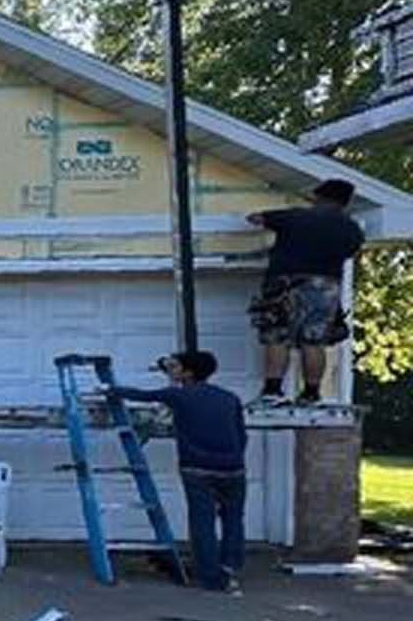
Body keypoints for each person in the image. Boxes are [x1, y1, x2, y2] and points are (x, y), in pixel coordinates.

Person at [109, 351, 248, 592]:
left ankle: (211, 576)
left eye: (176, 367)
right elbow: (241, 435)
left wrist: (110, 390)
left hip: (197, 468)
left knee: (202, 521)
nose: (172, 371)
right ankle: (229, 566)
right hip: (233, 468)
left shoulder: (178, 395)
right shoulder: (230, 398)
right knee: (233, 518)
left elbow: (143, 395)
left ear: (188, 373)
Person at [246, 178, 365, 405]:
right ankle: (311, 393)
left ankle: (272, 391)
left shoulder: (295, 216)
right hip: (324, 285)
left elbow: (255, 218)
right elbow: (352, 251)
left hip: (283, 282)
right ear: (345, 203)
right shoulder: (351, 228)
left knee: (277, 335)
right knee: (314, 340)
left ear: (318, 197)